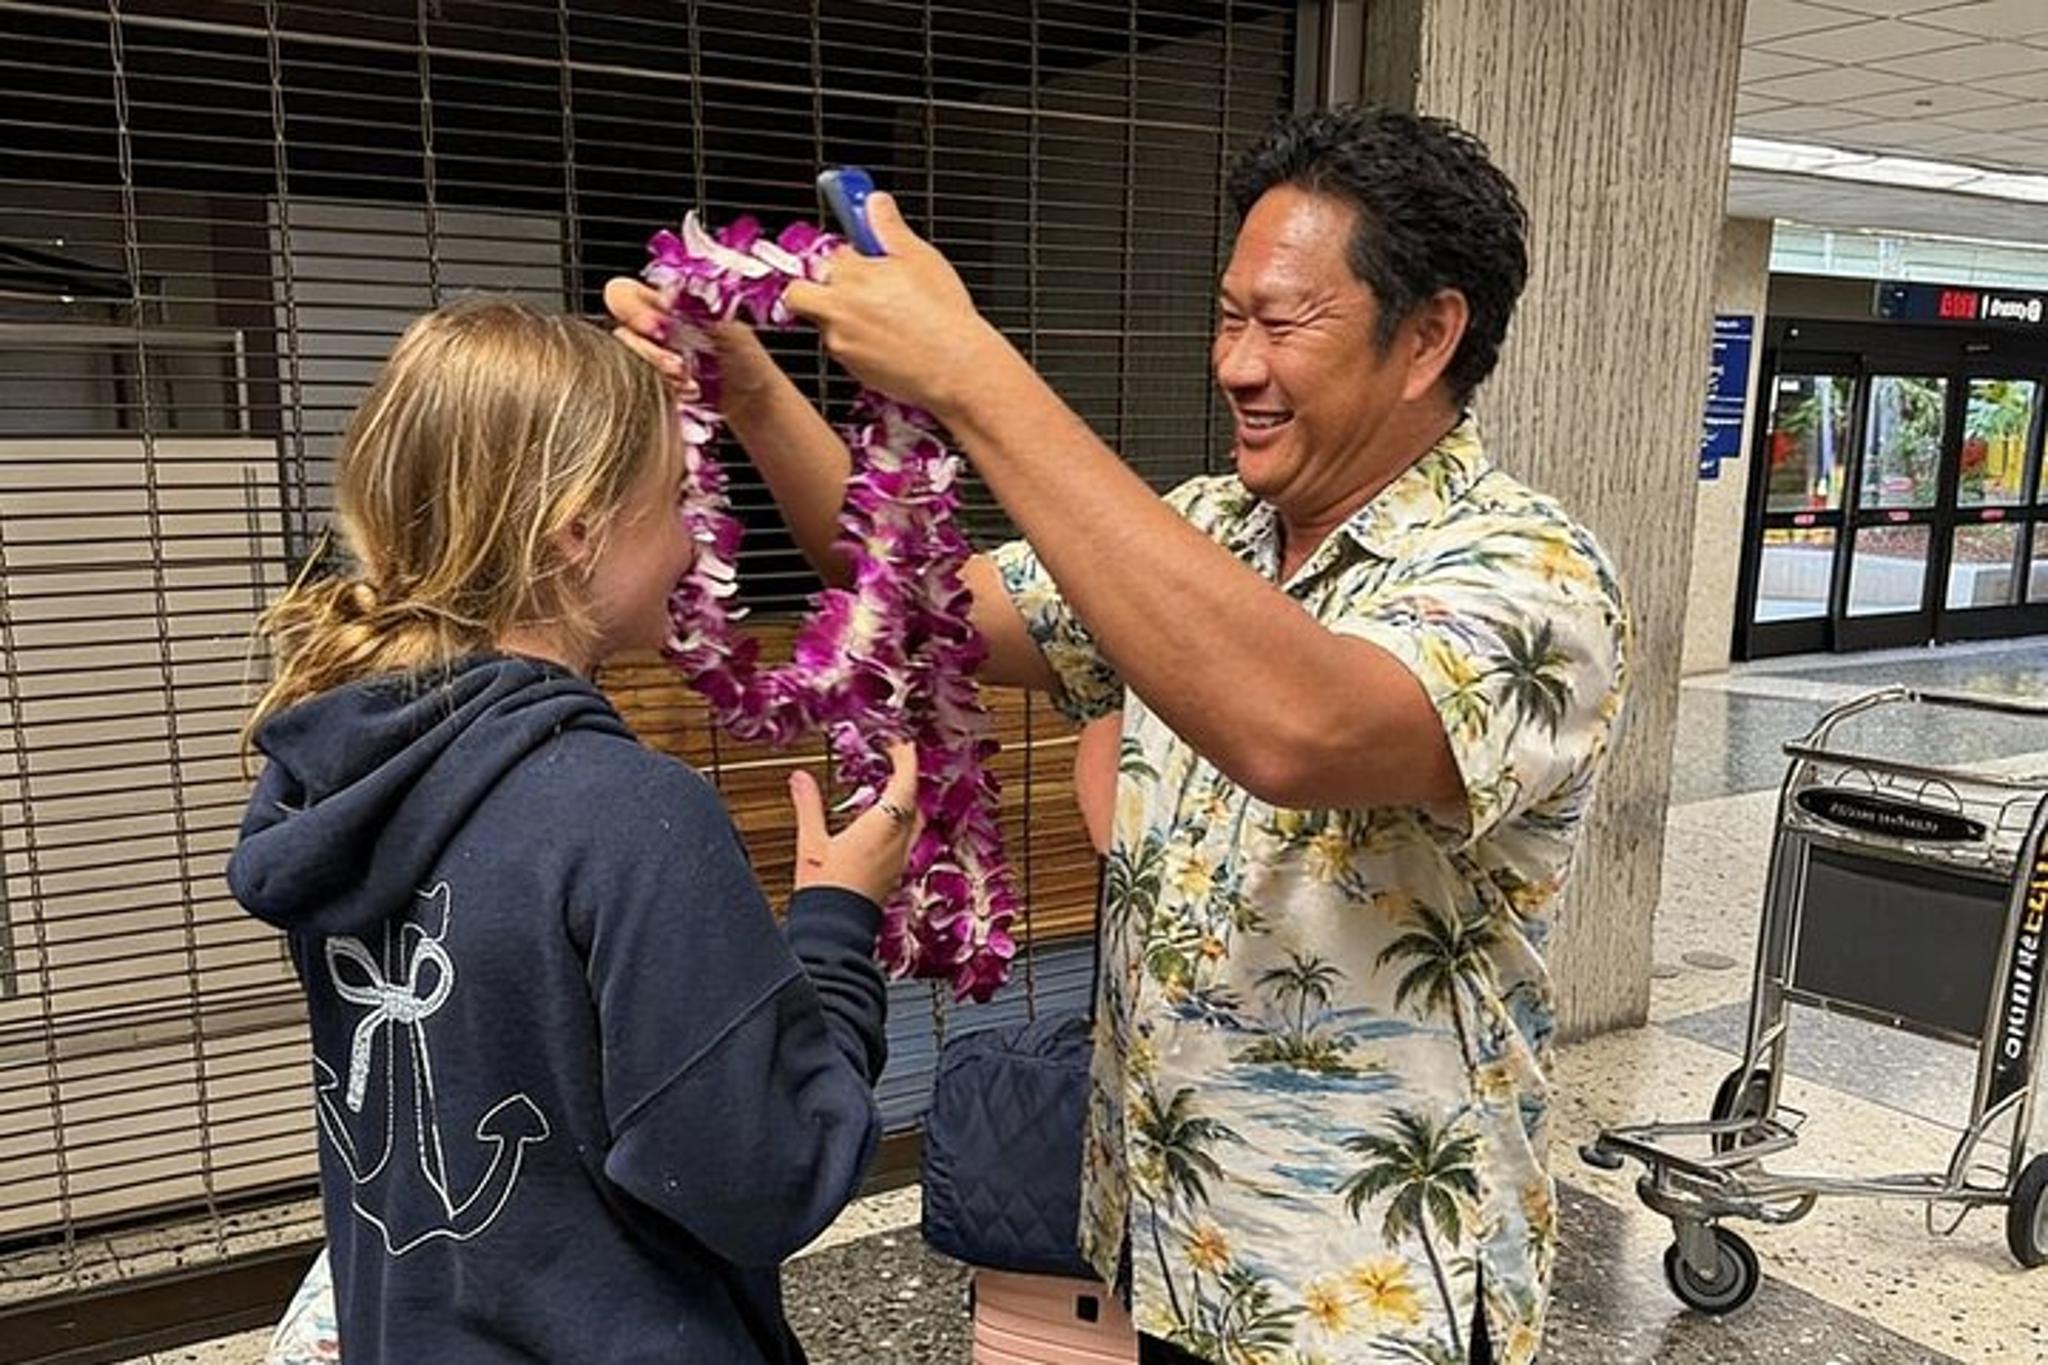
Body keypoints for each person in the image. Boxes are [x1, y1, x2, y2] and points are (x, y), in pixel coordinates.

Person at [611, 103, 1628, 1365]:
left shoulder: (1528, 577)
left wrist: (973, 373)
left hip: (1371, 1299)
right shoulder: (1206, 525)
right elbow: (918, 599)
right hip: (1166, 1245)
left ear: (1426, 336)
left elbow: (1295, 726)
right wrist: (753, 388)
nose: (1235, 365)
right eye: (1228, 314)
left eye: (1284, 321)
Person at [227, 296, 919, 1363]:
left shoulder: (327, 785)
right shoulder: (630, 817)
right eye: (678, 500)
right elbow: (764, 1176)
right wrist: (832, 927)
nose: (696, 538)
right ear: (578, 532)